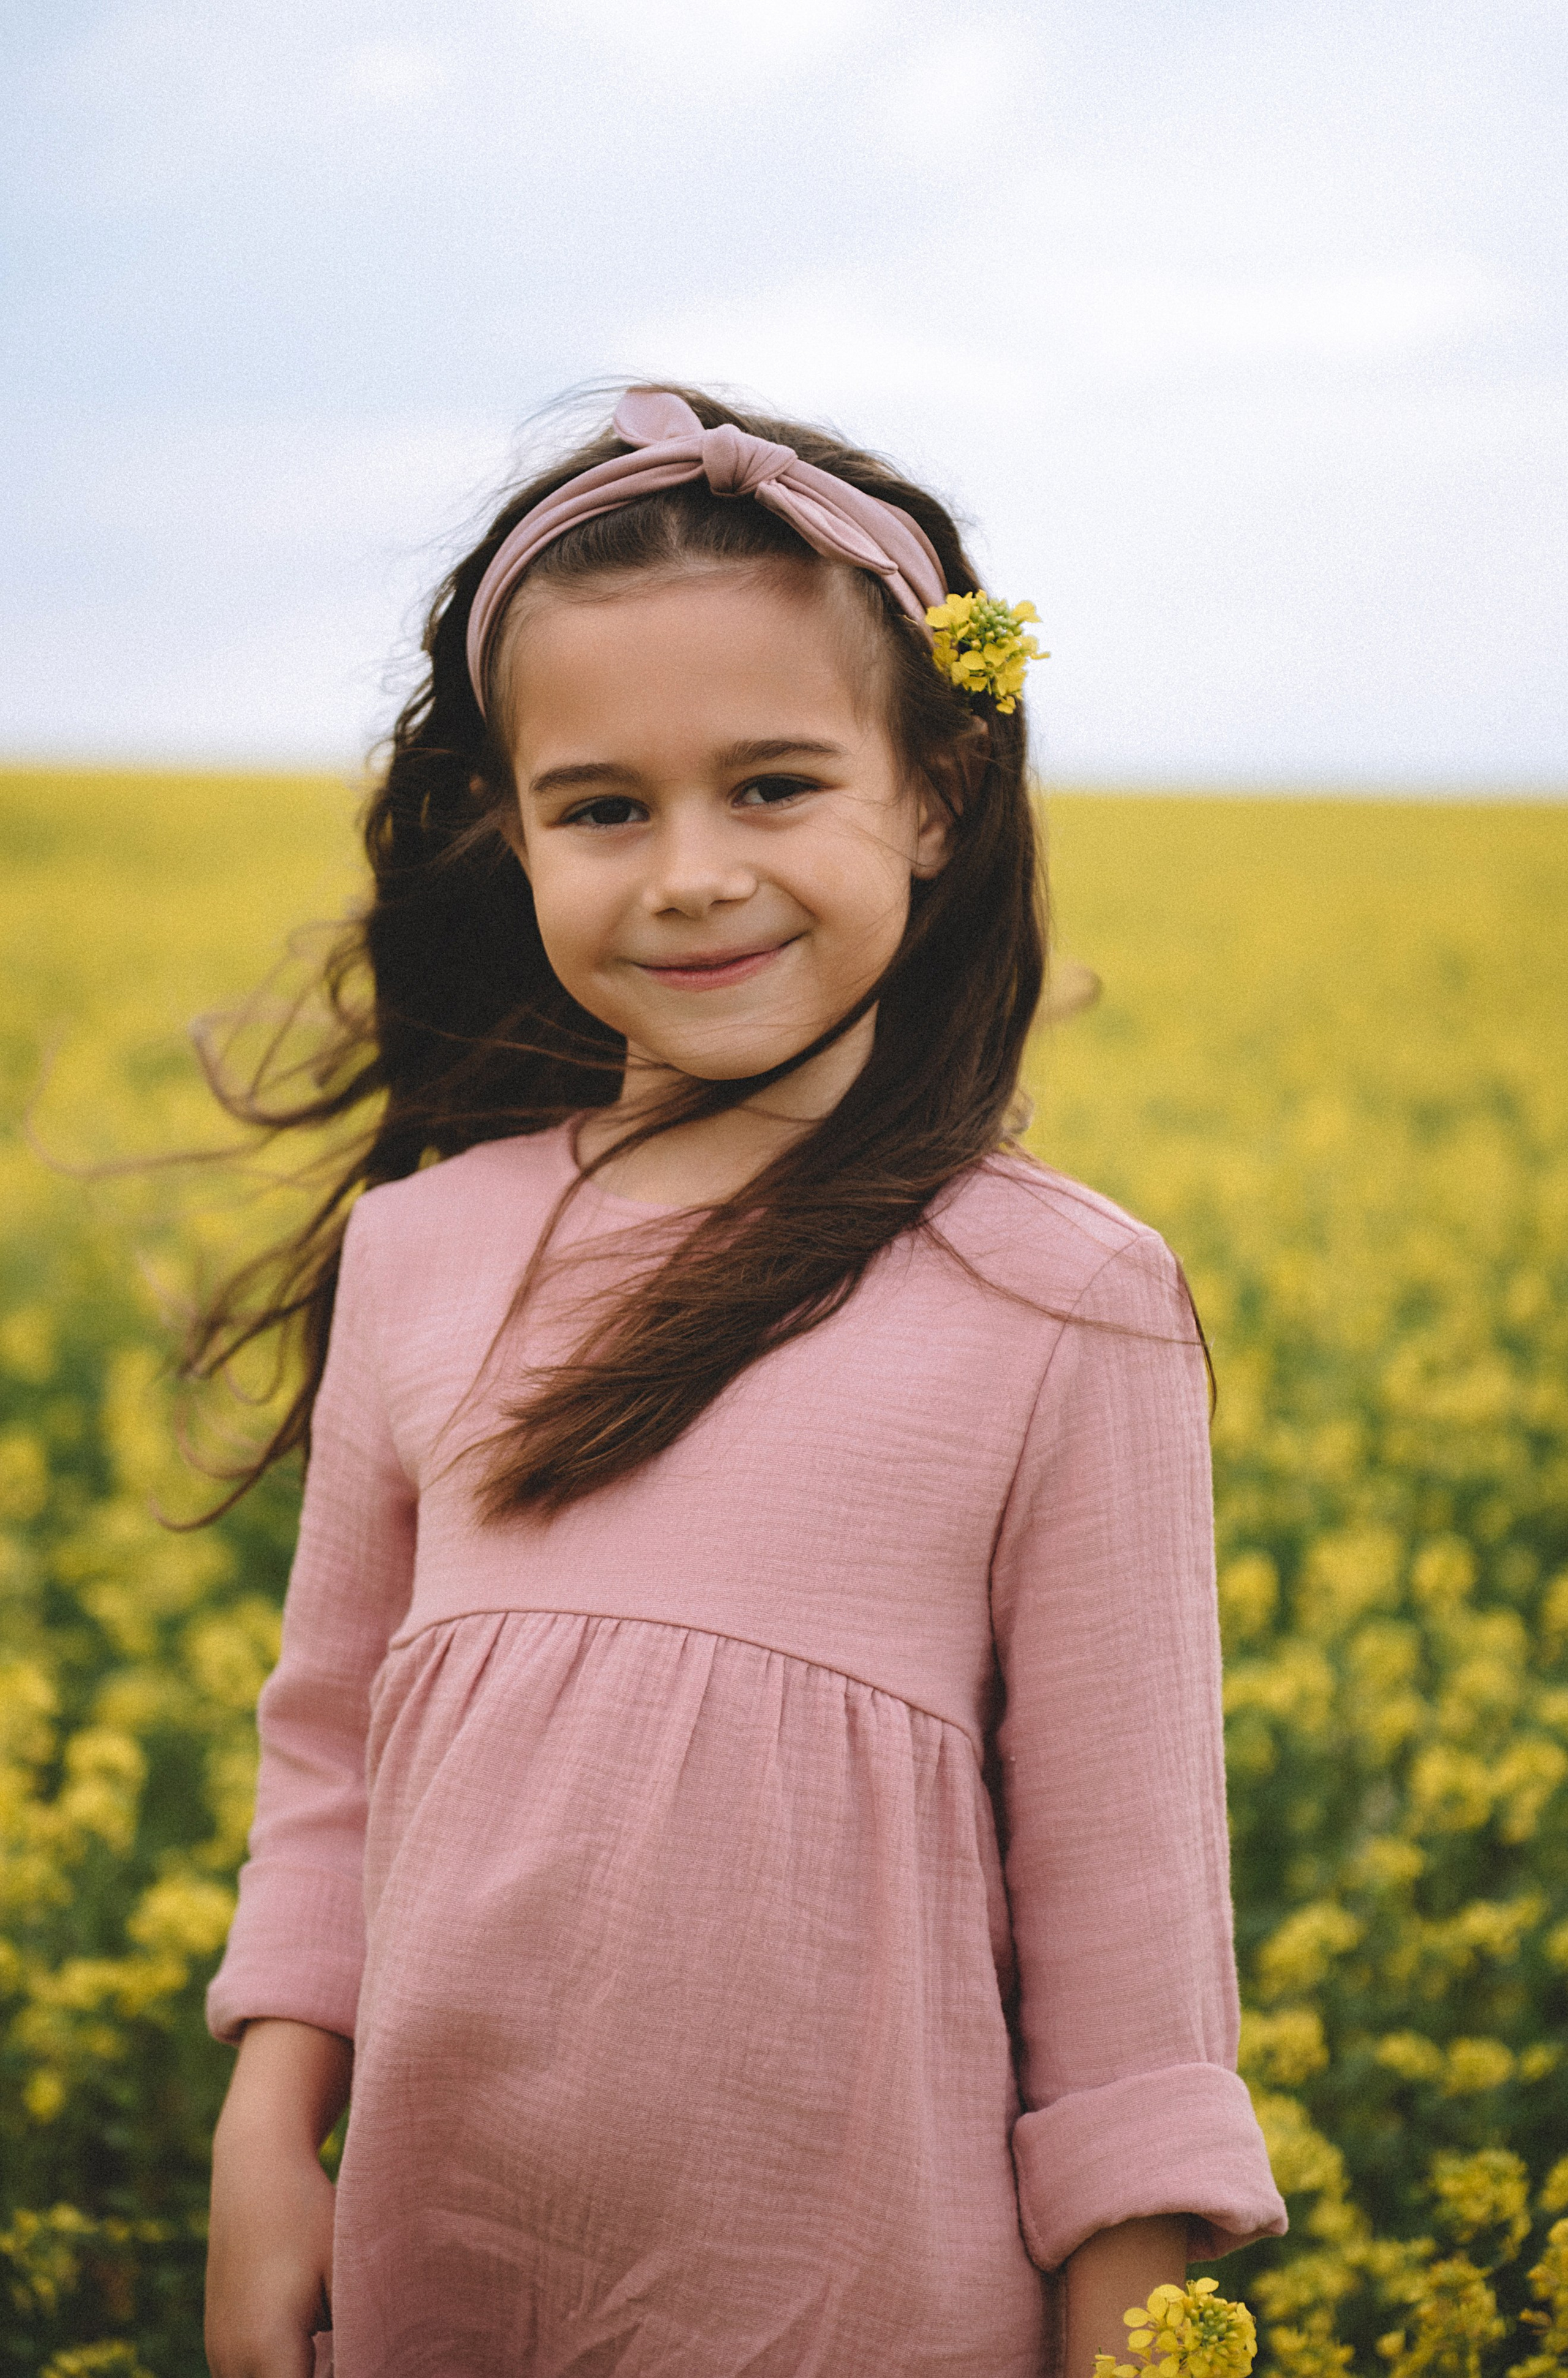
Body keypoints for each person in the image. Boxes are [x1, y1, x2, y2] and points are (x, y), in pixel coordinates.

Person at [198, 385, 1286, 2378]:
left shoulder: (1070, 1299)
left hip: (877, 2319)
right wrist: (269, 2136)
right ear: (510, 828)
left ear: (936, 799)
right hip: (438, 2288)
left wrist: (1135, 2337)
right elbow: (333, 1758)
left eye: (776, 785)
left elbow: (1133, 1937)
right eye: (603, 807)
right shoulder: (423, 1251)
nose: (691, 873)